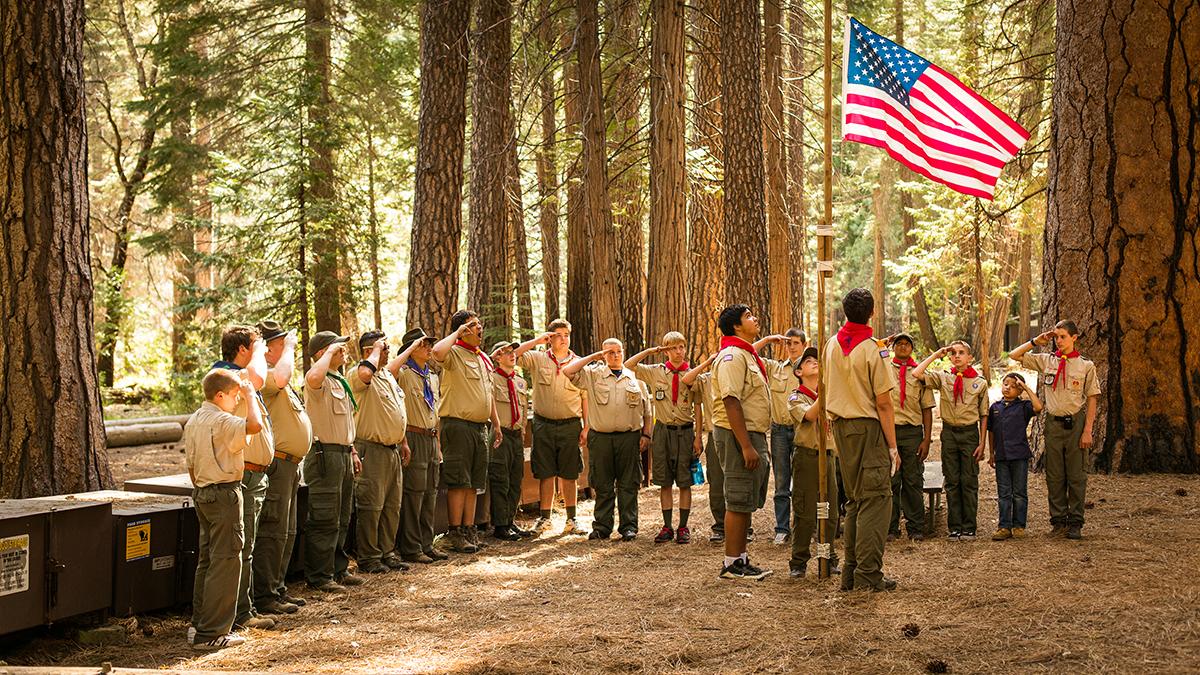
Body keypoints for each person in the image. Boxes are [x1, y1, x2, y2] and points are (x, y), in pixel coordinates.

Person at [821, 288, 899, 592]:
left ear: (844, 313)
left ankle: (851, 571)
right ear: (872, 313)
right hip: (867, 428)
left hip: (840, 427)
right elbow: (883, 403)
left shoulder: (830, 345)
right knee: (876, 498)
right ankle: (868, 572)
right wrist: (892, 446)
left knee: (854, 500)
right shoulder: (873, 349)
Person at [184, 368, 263, 650]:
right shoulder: (223, 420)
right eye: (234, 397)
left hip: (202, 492)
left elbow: (191, 467)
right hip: (224, 494)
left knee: (207, 560)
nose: (237, 401)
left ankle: (200, 623)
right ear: (220, 395)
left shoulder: (194, 420)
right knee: (227, 560)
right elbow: (255, 426)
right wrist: (252, 394)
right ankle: (213, 633)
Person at [1009, 321, 1100, 539]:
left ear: (1074, 337)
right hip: (1053, 423)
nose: (1058, 341)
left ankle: (1075, 521)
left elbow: (1093, 398)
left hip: (1075, 423)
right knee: (1055, 474)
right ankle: (1058, 520)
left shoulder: (1085, 365)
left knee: (1076, 475)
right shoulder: (1047, 360)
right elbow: (1014, 355)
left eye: (1063, 337)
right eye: (1056, 337)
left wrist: (1088, 430)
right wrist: (1035, 342)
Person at [212, 326, 277, 631]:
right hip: (244, 475)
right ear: (241, 350)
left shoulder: (238, 375)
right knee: (243, 547)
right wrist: (263, 349)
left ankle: (244, 608)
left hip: (256, 475)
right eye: (256, 345)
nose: (262, 351)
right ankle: (241, 613)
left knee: (247, 546)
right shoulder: (228, 376)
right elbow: (259, 377)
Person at [563, 339, 652, 541]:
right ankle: (602, 526)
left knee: (628, 484)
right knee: (602, 484)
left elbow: (647, 411)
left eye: (618, 351)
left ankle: (629, 526)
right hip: (601, 438)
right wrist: (593, 358)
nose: (615, 355)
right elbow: (568, 371)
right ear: (603, 355)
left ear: (623, 352)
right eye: (609, 352)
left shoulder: (634, 379)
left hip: (629, 438)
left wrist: (646, 434)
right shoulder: (593, 375)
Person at [431, 310, 504, 553]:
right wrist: (457, 334)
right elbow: (436, 353)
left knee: (473, 482)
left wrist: (496, 422)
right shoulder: (453, 353)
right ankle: (455, 532)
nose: (480, 328)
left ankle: (470, 529)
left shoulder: (482, 357)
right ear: (462, 330)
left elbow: (488, 392)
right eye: (473, 325)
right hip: (458, 424)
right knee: (458, 481)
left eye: (480, 323)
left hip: (480, 427)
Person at [251, 321, 311, 615]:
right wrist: (288, 347)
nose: (290, 348)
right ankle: (264, 595)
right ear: (269, 348)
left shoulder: (278, 378)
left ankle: (277, 589)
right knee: (273, 531)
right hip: (277, 464)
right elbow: (284, 376)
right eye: (283, 344)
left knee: (286, 532)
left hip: (291, 465)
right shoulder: (266, 375)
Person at [711, 304, 772, 580]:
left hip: (750, 433)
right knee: (737, 497)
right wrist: (746, 445)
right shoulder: (733, 356)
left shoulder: (747, 354)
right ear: (736, 326)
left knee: (746, 497)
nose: (755, 318)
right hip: (737, 434)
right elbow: (731, 400)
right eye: (748, 316)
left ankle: (741, 557)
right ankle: (731, 563)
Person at [625, 332, 702, 544]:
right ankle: (667, 526)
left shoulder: (692, 373)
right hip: (663, 432)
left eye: (682, 347)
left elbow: (697, 406)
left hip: (685, 432)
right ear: (665, 350)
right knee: (665, 481)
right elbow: (628, 365)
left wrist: (698, 437)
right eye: (674, 348)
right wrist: (650, 352)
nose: (679, 352)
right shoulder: (655, 372)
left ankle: (683, 527)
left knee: (685, 482)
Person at [513, 319, 589, 534]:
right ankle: (545, 517)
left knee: (570, 472)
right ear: (550, 337)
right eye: (558, 334)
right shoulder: (538, 359)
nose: (563, 339)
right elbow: (515, 354)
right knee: (545, 472)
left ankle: (572, 519)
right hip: (543, 424)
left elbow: (585, 397)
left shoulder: (578, 363)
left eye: (566, 334)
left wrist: (586, 426)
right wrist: (537, 340)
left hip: (570, 424)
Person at [303, 330, 363, 593]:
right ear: (321, 353)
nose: (342, 351)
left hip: (342, 453)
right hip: (324, 454)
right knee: (324, 517)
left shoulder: (339, 380)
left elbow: (345, 423)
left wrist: (352, 451)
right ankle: (319, 575)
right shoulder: (318, 379)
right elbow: (314, 376)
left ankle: (338, 568)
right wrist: (327, 352)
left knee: (341, 516)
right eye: (335, 348)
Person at [912, 340, 990, 542]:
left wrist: (982, 443)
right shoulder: (944, 377)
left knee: (969, 480)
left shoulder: (979, 383)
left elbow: (984, 415)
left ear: (969, 357)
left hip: (969, 434)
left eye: (961, 353)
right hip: (949, 434)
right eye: (953, 353)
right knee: (953, 480)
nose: (957, 356)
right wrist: (936, 355)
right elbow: (917, 373)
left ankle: (969, 527)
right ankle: (954, 527)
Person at [351, 330, 414, 574]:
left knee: (391, 505)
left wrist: (404, 441)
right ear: (370, 351)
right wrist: (375, 352)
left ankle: (387, 552)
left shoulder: (387, 376)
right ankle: (369, 556)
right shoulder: (360, 374)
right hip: (371, 449)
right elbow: (365, 374)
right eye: (384, 348)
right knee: (371, 505)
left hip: (393, 449)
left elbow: (396, 410)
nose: (388, 351)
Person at [394, 328, 449, 563]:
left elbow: (435, 412)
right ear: (411, 349)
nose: (429, 348)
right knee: (414, 494)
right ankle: (410, 546)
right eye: (423, 344)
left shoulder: (431, 376)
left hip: (430, 437)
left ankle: (427, 543)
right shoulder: (404, 374)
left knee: (430, 492)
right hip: (413, 436)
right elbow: (389, 372)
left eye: (429, 344)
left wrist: (437, 444)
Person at [785, 347, 840, 578]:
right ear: (799, 372)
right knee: (805, 511)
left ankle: (827, 557)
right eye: (808, 361)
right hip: (807, 458)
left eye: (817, 360)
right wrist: (826, 392)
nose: (815, 363)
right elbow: (809, 415)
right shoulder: (796, 397)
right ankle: (798, 562)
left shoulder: (830, 395)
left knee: (830, 512)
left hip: (828, 458)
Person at [753, 329, 809, 546]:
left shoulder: (810, 369)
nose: (792, 347)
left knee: (804, 481)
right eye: (788, 343)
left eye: (796, 343)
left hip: (803, 429)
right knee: (782, 481)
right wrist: (768, 339)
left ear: (804, 344)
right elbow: (750, 353)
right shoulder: (775, 367)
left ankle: (805, 526)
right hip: (779, 430)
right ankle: (782, 528)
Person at [885, 333, 934, 541]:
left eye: (907, 344)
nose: (903, 347)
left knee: (913, 480)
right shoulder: (885, 368)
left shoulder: (920, 374)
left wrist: (927, 438)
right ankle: (891, 527)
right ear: (894, 347)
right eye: (900, 344)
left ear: (912, 349)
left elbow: (927, 409)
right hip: (891, 430)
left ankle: (915, 527)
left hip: (913, 432)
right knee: (892, 479)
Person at [987, 373, 1043, 541]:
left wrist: (1025, 388)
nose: (1007, 387)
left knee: (1019, 492)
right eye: (1005, 384)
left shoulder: (1024, 406)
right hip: (1002, 455)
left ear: (1019, 390)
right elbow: (991, 431)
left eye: (1012, 386)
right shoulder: (995, 407)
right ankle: (1004, 526)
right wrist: (991, 453)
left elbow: (1039, 407)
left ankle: (1019, 525)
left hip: (1019, 455)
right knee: (1004, 492)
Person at [489, 340, 534, 541]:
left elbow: (523, 409)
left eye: (513, 351)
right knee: (501, 479)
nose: (511, 355)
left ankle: (510, 520)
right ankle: (500, 525)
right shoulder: (491, 379)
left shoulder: (520, 382)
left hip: (516, 435)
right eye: (506, 352)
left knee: (516, 480)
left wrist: (523, 429)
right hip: (500, 434)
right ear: (497, 357)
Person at [682, 353, 724, 543]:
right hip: (715, 435)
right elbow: (687, 379)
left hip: (738, 433)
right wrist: (707, 362)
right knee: (716, 481)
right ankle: (720, 526)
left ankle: (744, 527)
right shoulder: (705, 380)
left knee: (739, 480)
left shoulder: (739, 375)